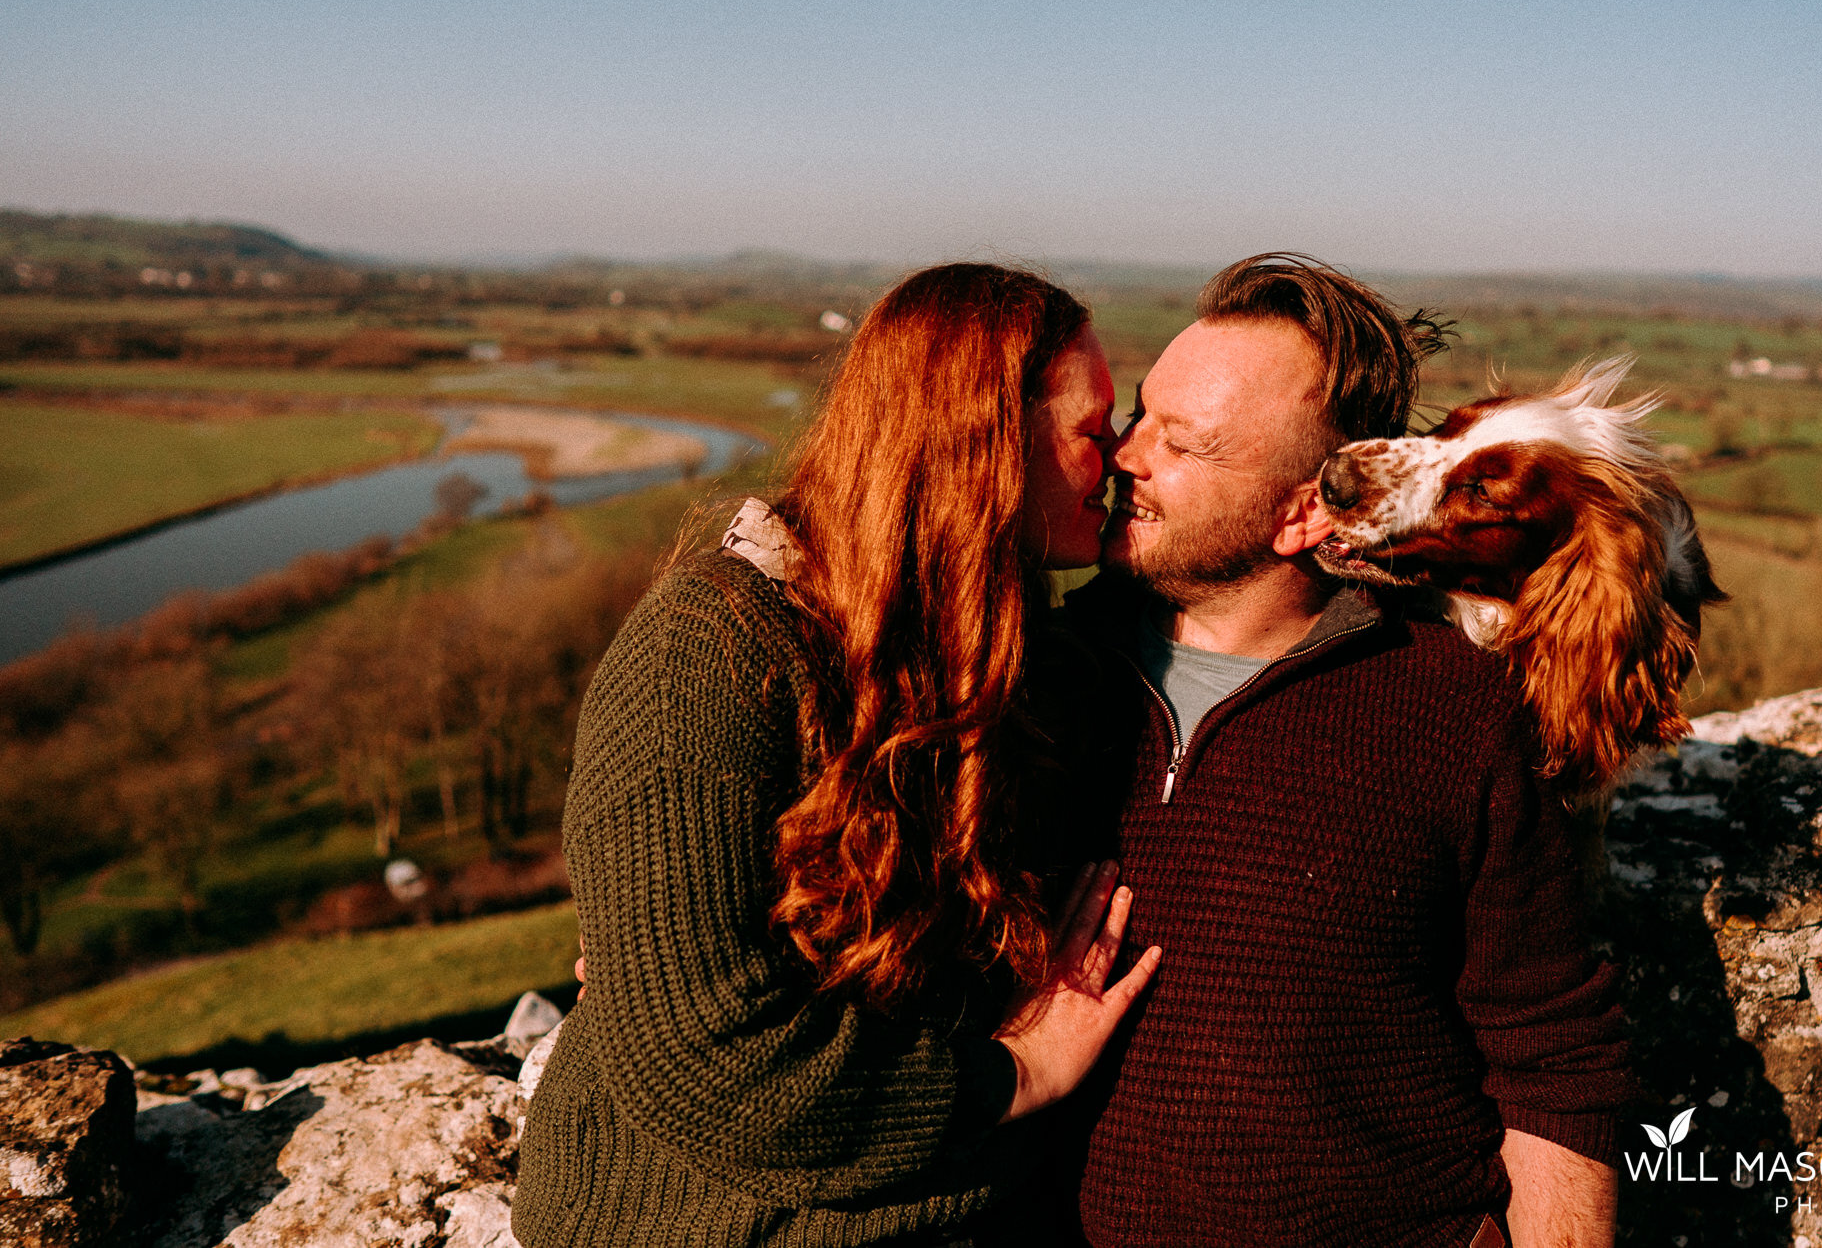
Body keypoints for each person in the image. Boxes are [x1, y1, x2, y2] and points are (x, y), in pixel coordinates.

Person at [513, 263, 1161, 1248]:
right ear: (982, 441)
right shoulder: (712, 650)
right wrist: (1016, 1074)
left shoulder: (1010, 659)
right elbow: (715, 1069)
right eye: (1091, 429)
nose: (1115, 459)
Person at [1057, 254, 1635, 1247]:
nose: (1122, 456)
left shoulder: (1465, 710)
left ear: (1303, 513)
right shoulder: (1032, 680)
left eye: (1178, 444)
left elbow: (1552, 1060)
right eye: (1138, 413)